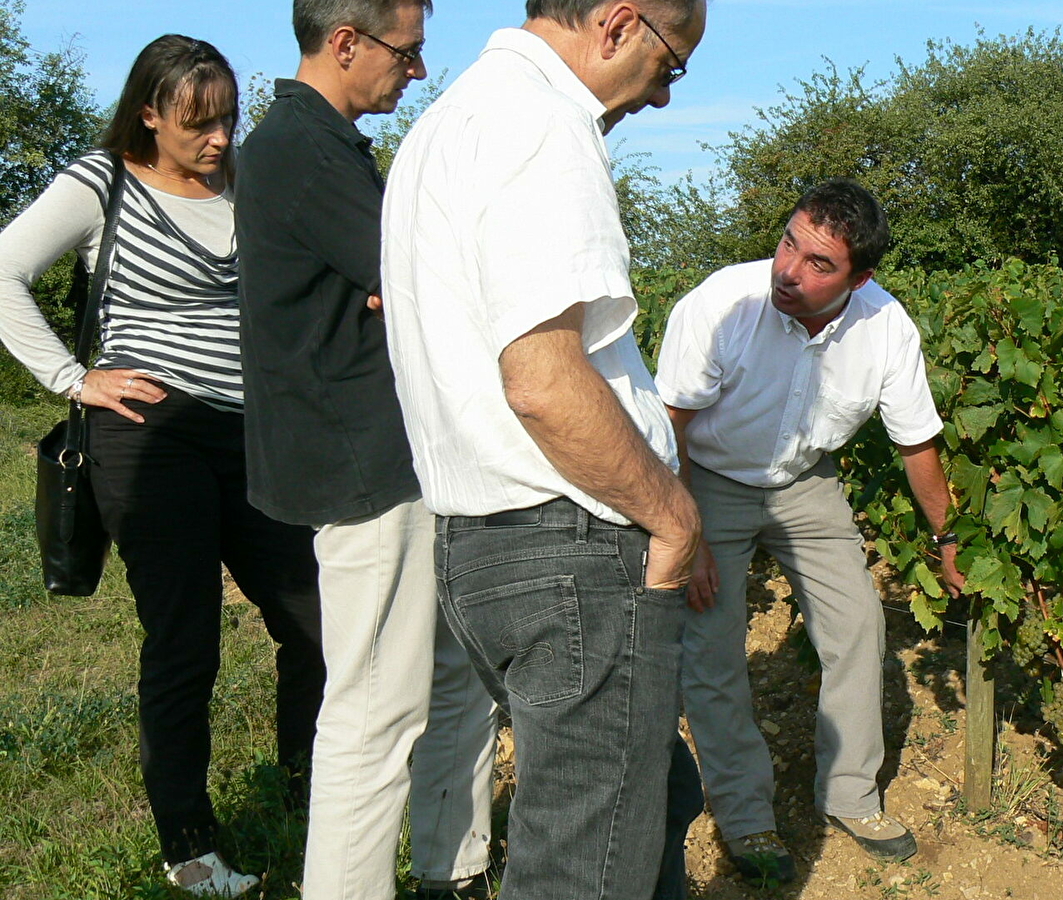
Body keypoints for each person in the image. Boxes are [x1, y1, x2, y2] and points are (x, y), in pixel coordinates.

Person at [380, 1, 708, 897]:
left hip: (487, 546)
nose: (664, 97)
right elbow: (544, 380)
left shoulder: (450, 121)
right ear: (618, 24)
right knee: (584, 865)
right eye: (669, 65)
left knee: (648, 806)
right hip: (569, 549)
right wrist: (672, 515)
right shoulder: (541, 127)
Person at [0, 35, 324, 897]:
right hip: (150, 434)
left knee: (314, 623)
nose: (219, 139)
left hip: (256, 434)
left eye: (228, 119)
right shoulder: (100, 181)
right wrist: (75, 378)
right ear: (149, 111)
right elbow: (2, 269)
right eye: (198, 122)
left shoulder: (249, 180)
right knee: (185, 642)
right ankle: (191, 847)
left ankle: (309, 800)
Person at [233, 2, 499, 897]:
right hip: (365, 464)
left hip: (391, 453)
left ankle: (451, 867)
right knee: (372, 715)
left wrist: (409, 287)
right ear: (345, 42)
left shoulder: (321, 144)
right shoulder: (300, 151)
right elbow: (427, 284)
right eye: (407, 51)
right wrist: (413, 288)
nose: (416, 71)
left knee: (448, 670)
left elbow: (409, 283)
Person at [655, 178, 965, 882]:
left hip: (804, 480)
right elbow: (665, 430)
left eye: (818, 263)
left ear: (860, 279)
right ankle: (745, 816)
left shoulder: (885, 326)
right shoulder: (720, 304)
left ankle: (850, 794)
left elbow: (915, 444)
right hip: (702, 478)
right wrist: (688, 534)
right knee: (711, 650)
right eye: (787, 243)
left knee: (858, 624)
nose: (787, 271)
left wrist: (951, 539)